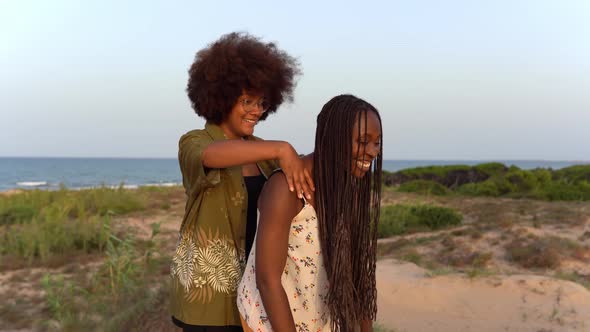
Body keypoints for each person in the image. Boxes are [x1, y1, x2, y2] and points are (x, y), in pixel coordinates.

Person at [170, 32, 314, 332]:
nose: (256, 110)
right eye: (246, 100)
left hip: (258, 292)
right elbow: (212, 156)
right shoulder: (195, 142)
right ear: (220, 97)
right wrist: (281, 148)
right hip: (209, 298)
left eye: (262, 103)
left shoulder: (266, 155)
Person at [237, 94, 383, 332]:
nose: (372, 152)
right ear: (333, 139)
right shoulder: (286, 188)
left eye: (377, 143)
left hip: (316, 321)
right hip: (268, 321)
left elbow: (358, 275)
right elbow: (267, 280)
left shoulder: (350, 189)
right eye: (363, 141)